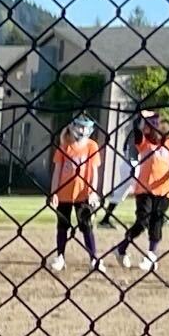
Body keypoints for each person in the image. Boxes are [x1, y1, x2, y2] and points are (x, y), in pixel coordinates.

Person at [117, 108, 169, 271]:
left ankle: (151, 255)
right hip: (144, 189)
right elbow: (136, 132)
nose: (153, 132)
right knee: (141, 223)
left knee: (156, 222)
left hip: (164, 191)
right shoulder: (145, 142)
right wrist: (140, 118)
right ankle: (121, 248)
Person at [47, 115, 105, 273]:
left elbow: (94, 172)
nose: (82, 130)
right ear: (73, 127)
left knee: (86, 226)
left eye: (85, 127)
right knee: (62, 226)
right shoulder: (65, 145)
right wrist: (54, 192)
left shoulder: (92, 146)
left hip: (83, 194)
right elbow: (57, 170)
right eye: (79, 127)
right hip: (65, 193)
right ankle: (60, 257)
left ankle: (94, 258)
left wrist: (93, 192)